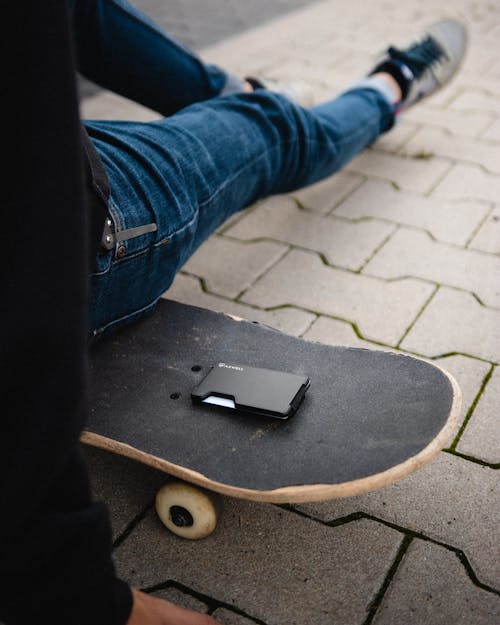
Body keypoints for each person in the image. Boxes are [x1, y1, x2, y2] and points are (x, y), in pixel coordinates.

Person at [0, 1, 467, 624]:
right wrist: (72, 591)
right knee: (273, 126)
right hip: (67, 225)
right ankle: (389, 85)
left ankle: (231, 94)